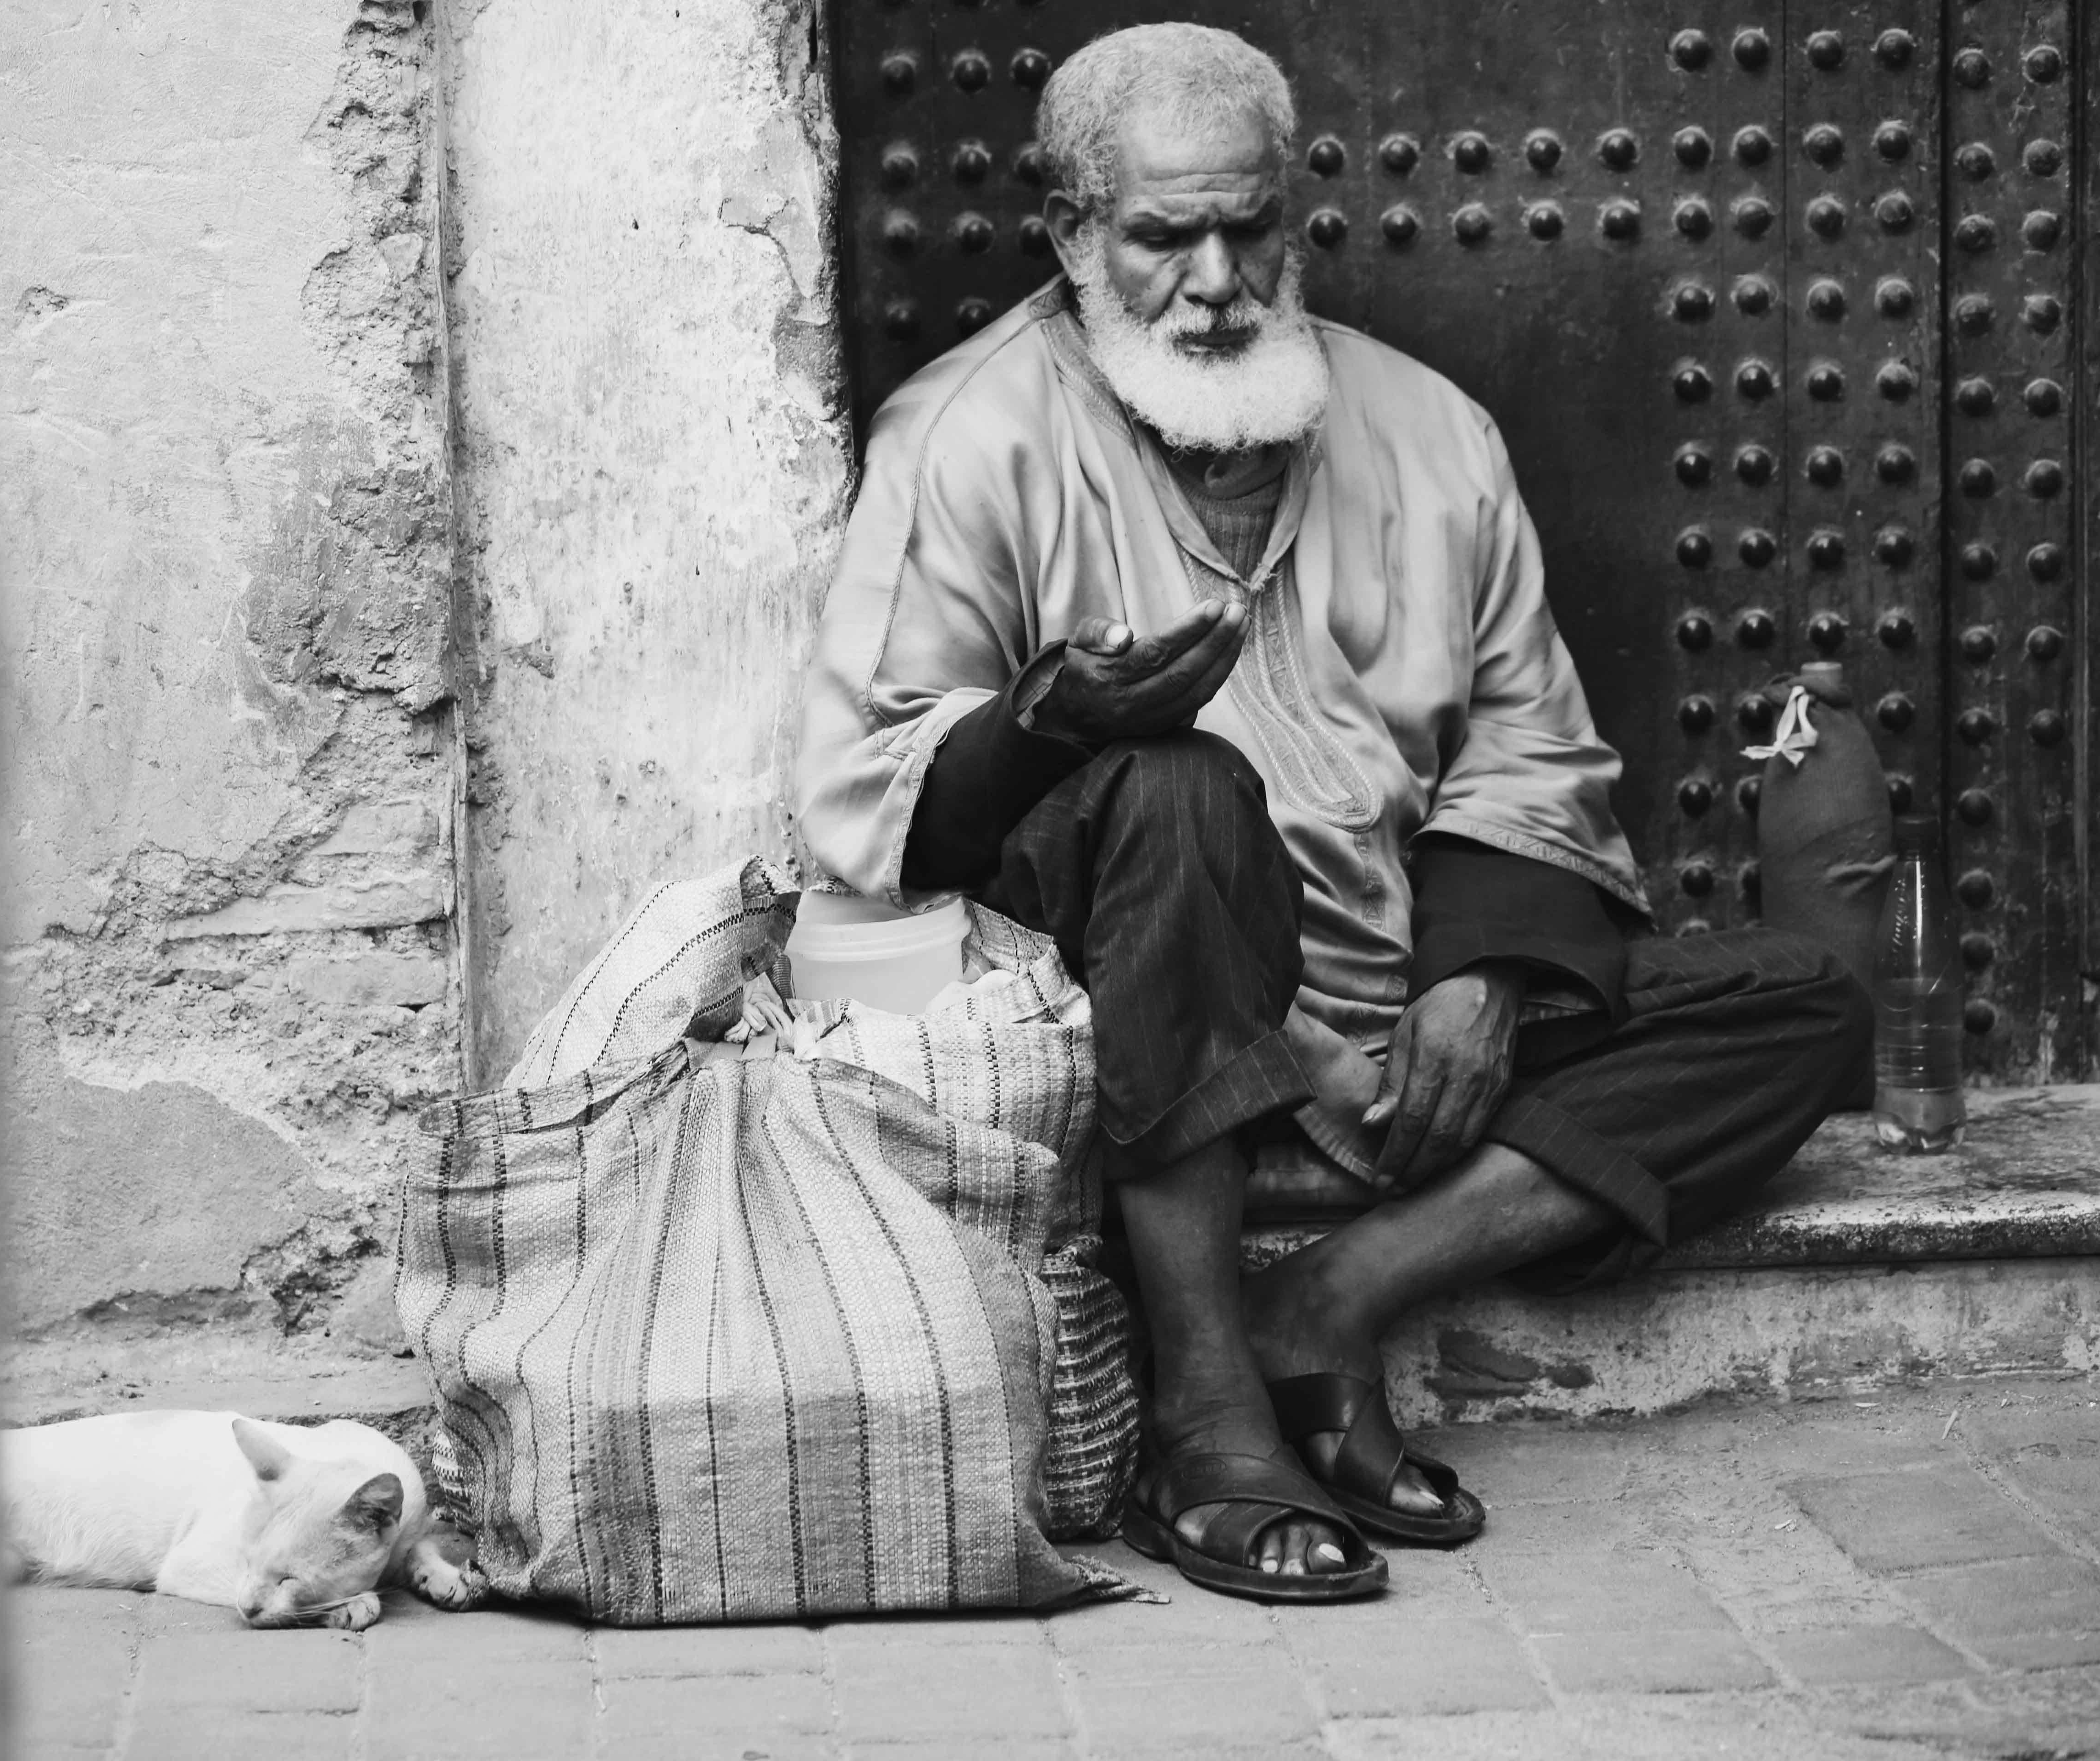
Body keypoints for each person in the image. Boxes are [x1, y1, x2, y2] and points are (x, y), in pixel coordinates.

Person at [794, 22, 1873, 1603]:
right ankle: (1210, 1410)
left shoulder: (1430, 432)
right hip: (1141, 1011)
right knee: (1175, 788)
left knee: (1808, 1010)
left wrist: (1482, 976)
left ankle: (1335, 1302)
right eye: (1166, 239)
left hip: (1400, 995)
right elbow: (866, 793)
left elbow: (1531, 745)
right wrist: (1043, 726)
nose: (1218, 280)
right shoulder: (967, 441)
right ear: (1075, 235)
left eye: (1252, 229)